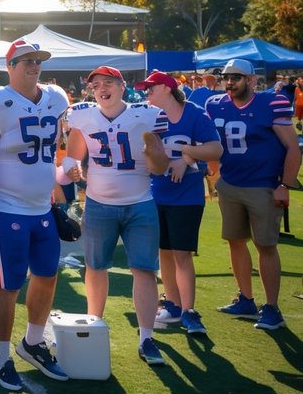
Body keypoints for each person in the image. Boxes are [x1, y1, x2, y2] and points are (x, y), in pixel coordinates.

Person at [0, 38, 71, 392]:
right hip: (6, 207)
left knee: (47, 276)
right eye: (26, 60)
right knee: (9, 284)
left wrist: (60, 184)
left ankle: (33, 342)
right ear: (10, 66)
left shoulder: (56, 98)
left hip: (43, 208)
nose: (34, 65)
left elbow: (50, 152)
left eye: (38, 60)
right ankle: (1, 356)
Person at [64, 66, 170, 366]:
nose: (101, 88)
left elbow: (160, 167)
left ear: (122, 86)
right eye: (95, 84)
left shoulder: (146, 115)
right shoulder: (83, 114)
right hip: (98, 203)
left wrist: (152, 151)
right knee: (95, 267)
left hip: (139, 203)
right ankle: (94, 325)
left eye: (107, 82)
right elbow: (74, 147)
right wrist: (74, 165)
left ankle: (147, 337)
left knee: (144, 269)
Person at [205, 59, 300, 330]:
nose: (230, 82)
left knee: (265, 245)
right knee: (235, 241)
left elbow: (293, 148)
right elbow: (211, 141)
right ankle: (245, 299)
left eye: (237, 77)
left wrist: (285, 185)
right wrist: (215, 174)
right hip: (231, 182)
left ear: (252, 80)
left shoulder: (272, 103)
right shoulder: (215, 104)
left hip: (264, 184)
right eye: (226, 77)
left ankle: (272, 308)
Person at [135, 71, 223, 336]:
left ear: (167, 88)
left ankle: (189, 310)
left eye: (151, 88)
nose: (146, 93)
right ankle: (172, 304)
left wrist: (186, 158)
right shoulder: (150, 116)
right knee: (164, 251)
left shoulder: (194, 113)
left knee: (182, 253)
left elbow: (216, 149)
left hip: (187, 196)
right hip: (156, 192)